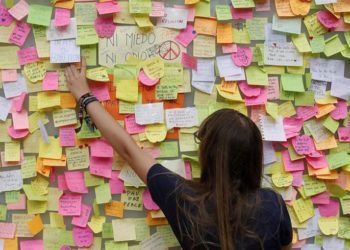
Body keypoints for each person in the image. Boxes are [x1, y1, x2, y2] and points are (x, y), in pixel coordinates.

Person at [65, 59, 292, 250]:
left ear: (208, 154)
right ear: (254, 156)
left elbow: (128, 150)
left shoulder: (186, 199)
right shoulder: (273, 205)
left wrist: (85, 96)